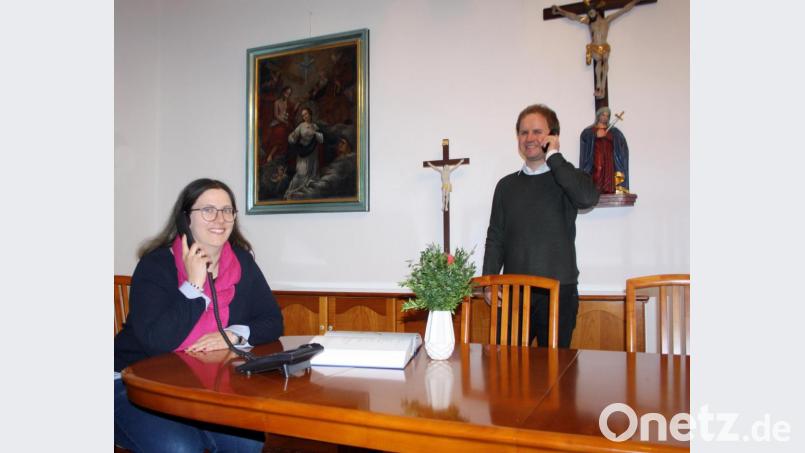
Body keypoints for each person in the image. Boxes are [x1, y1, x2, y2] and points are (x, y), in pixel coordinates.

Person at [114, 178, 284, 452]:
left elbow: (273, 321)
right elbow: (157, 343)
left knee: (247, 443)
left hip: (204, 385)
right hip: (133, 383)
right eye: (207, 209)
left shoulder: (242, 262)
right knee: (180, 448)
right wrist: (193, 286)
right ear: (185, 219)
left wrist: (232, 335)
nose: (220, 218)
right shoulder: (156, 265)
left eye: (227, 210)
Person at [483, 104, 599, 348]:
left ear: (552, 136)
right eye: (523, 132)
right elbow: (496, 237)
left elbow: (587, 198)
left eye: (537, 131)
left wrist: (554, 156)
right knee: (505, 373)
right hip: (514, 294)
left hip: (558, 293)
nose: (529, 138)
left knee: (556, 376)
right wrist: (489, 282)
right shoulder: (506, 186)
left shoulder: (567, 178)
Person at [552, 0, 638, 98]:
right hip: (595, 47)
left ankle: (602, 88)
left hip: (604, 46)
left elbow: (623, 10)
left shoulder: (607, 20)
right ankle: (598, 86)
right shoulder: (589, 22)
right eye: (589, 13)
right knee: (599, 61)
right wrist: (560, 11)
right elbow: (574, 17)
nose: (590, 15)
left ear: (596, 12)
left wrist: (636, 1)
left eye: (592, 13)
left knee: (605, 62)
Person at [579, 107, 629, 193]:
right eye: (603, 115)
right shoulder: (590, 130)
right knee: (598, 169)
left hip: (609, 156)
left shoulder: (613, 131)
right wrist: (595, 135)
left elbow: (621, 142)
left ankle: (608, 190)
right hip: (597, 155)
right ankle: (596, 191)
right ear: (598, 116)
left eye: (607, 116)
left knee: (609, 173)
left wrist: (610, 137)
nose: (605, 117)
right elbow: (584, 137)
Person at [285, 107, 324, 198]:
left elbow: (321, 139)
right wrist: (292, 139)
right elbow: (291, 137)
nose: (304, 116)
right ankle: (291, 192)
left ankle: (305, 195)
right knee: (301, 173)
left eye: (306, 114)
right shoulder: (301, 126)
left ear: (310, 114)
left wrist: (315, 133)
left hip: (313, 153)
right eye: (303, 115)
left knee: (312, 174)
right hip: (303, 152)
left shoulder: (315, 126)